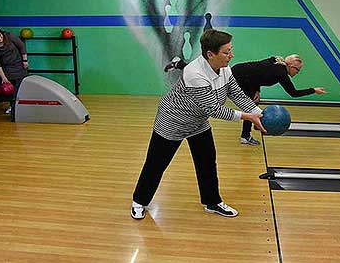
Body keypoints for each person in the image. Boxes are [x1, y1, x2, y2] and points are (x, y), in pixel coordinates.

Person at [131, 29, 266, 220]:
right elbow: (213, 109)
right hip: (172, 121)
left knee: (207, 161)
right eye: (227, 52)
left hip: (198, 122)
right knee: (156, 164)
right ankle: (139, 201)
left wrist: (259, 113)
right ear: (211, 54)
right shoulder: (195, 73)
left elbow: (235, 93)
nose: (231, 55)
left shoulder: (225, 69)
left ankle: (212, 201)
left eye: (231, 50)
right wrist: (247, 116)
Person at [164, 54, 327, 145]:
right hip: (240, 76)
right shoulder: (281, 73)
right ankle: (245, 136)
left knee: (250, 102)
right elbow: (294, 93)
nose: (297, 73)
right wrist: (314, 90)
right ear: (292, 66)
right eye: (298, 71)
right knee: (212, 81)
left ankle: (245, 135)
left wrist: (257, 89)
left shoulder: (275, 61)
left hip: (244, 74)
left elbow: (259, 73)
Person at [0, 27, 29, 120]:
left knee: (20, 88)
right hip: (7, 69)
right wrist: (3, 77)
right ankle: (13, 108)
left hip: (19, 66)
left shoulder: (9, 36)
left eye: (0, 35)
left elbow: (21, 46)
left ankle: (21, 108)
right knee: (11, 91)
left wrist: (25, 60)